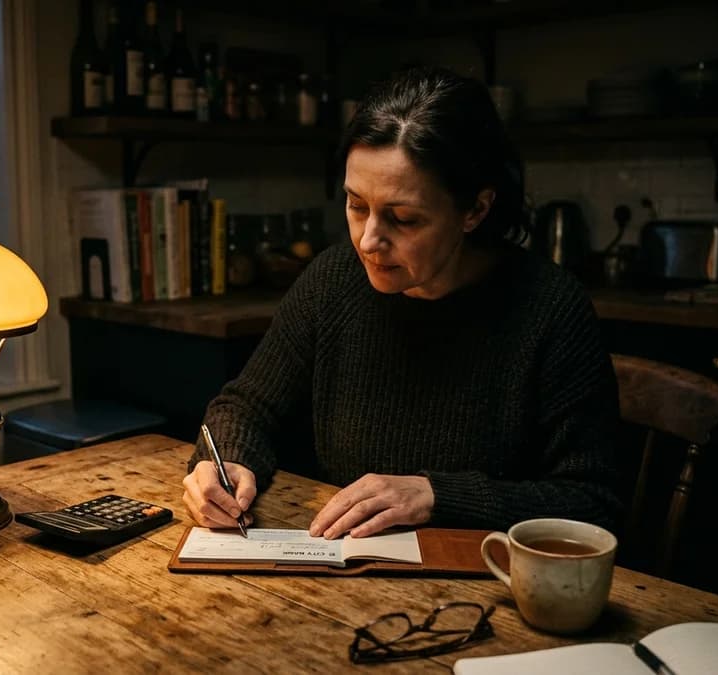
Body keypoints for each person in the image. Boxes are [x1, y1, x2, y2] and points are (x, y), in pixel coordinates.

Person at [182, 66, 621, 540]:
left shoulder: (551, 309)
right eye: (355, 205)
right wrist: (224, 461)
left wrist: (436, 496)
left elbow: (591, 501)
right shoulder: (333, 281)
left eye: (404, 219)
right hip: (341, 574)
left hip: (488, 584)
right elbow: (247, 406)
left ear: (475, 210)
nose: (369, 240)